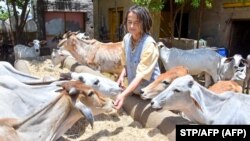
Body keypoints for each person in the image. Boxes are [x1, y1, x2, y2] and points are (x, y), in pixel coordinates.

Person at [114, 5, 160, 110]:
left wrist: (123, 95)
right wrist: (121, 77)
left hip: (150, 94)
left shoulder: (149, 45)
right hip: (135, 92)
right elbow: (126, 64)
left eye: (136, 23)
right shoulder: (126, 39)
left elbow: (140, 76)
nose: (131, 26)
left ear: (144, 23)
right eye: (129, 22)